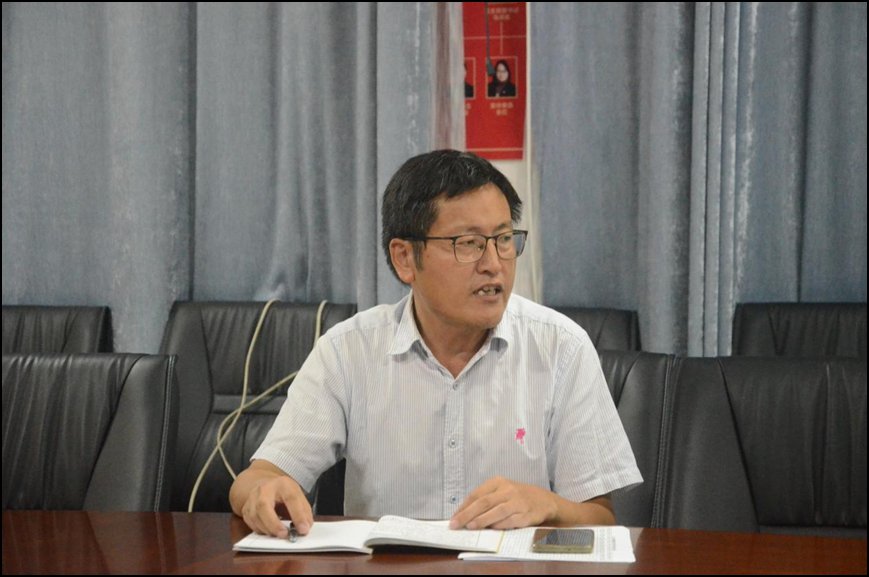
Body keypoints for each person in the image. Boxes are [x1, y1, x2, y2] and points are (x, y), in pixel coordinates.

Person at [229, 150, 641, 538]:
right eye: (468, 244)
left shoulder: (562, 348)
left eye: (503, 239)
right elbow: (258, 477)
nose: (493, 264)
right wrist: (262, 493)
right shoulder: (347, 352)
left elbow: (600, 519)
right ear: (405, 258)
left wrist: (546, 505)